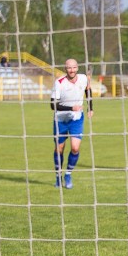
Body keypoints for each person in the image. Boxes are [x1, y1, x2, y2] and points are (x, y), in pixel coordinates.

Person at [50, 58, 92, 188]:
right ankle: (58, 176)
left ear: (77, 68)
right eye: (69, 68)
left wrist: (90, 107)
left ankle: (68, 174)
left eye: (74, 67)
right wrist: (70, 108)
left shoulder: (83, 78)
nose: (71, 70)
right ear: (65, 69)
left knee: (75, 147)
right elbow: (53, 105)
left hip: (76, 119)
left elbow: (88, 90)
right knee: (59, 149)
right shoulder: (59, 83)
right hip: (60, 119)